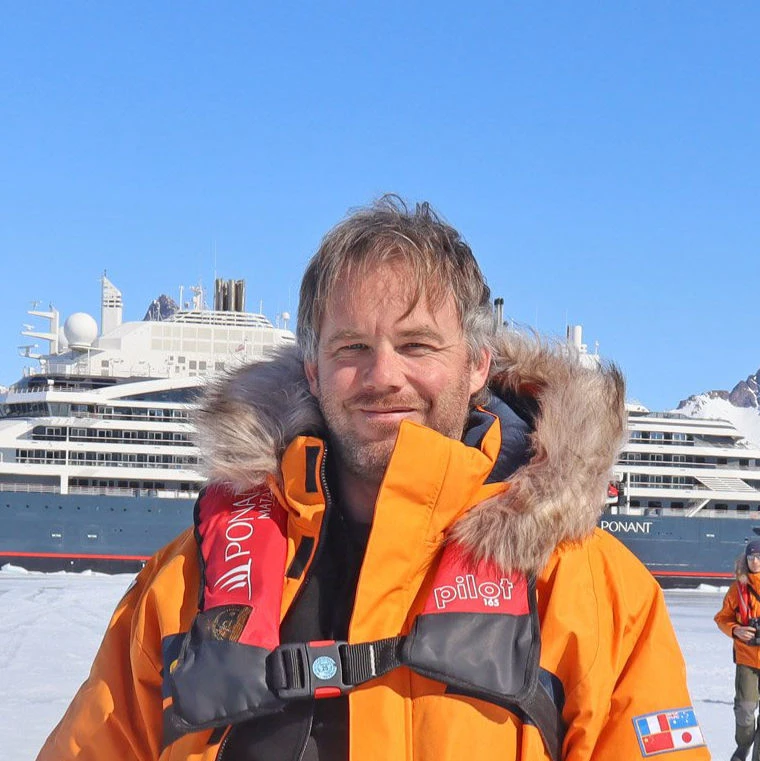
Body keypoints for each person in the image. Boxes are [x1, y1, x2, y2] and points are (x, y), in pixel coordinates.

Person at [37, 196, 709, 760]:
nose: (384, 375)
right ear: (312, 369)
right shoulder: (186, 587)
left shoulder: (593, 592)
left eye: (417, 344)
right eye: (352, 347)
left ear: (478, 363)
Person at [716, 539, 760, 761]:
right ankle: (743, 746)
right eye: (751, 557)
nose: (755, 561)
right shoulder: (737, 589)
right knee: (745, 712)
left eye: (759, 557)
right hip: (747, 659)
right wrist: (736, 631)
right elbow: (722, 618)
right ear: (746, 559)